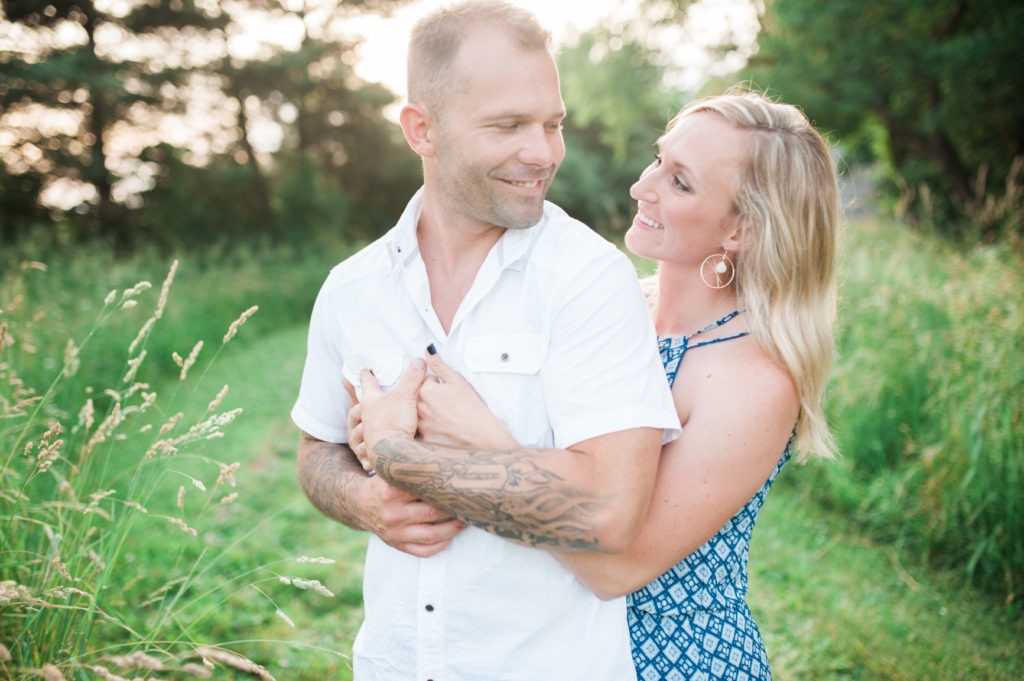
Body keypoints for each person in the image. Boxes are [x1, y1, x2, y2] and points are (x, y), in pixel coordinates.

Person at [355, 89, 840, 680]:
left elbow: (617, 566)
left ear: (739, 229)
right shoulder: (611, 308)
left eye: (680, 182)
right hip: (549, 650)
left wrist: (485, 438)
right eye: (659, 159)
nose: (643, 186)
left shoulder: (752, 380)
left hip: (665, 658)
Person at [290, 1, 680, 679]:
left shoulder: (588, 280)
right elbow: (317, 449)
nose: (544, 152)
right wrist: (366, 500)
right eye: (508, 125)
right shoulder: (352, 289)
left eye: (552, 124)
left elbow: (610, 510)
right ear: (422, 129)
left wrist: (392, 455)